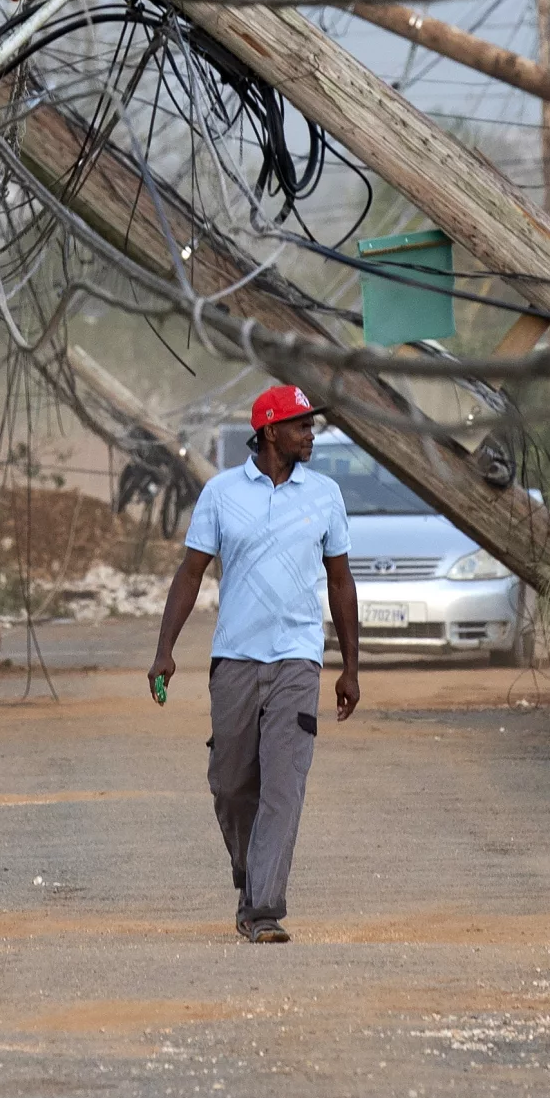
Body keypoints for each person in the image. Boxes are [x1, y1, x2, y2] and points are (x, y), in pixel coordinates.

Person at [148, 382, 360, 943]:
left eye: (311, 425)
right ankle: (250, 873)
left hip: (298, 659)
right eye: (300, 425)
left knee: (283, 785)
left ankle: (263, 908)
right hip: (235, 659)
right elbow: (190, 572)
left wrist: (351, 666)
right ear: (269, 431)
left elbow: (340, 581)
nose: (310, 434)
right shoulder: (221, 494)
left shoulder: (325, 495)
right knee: (231, 783)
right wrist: (165, 650)